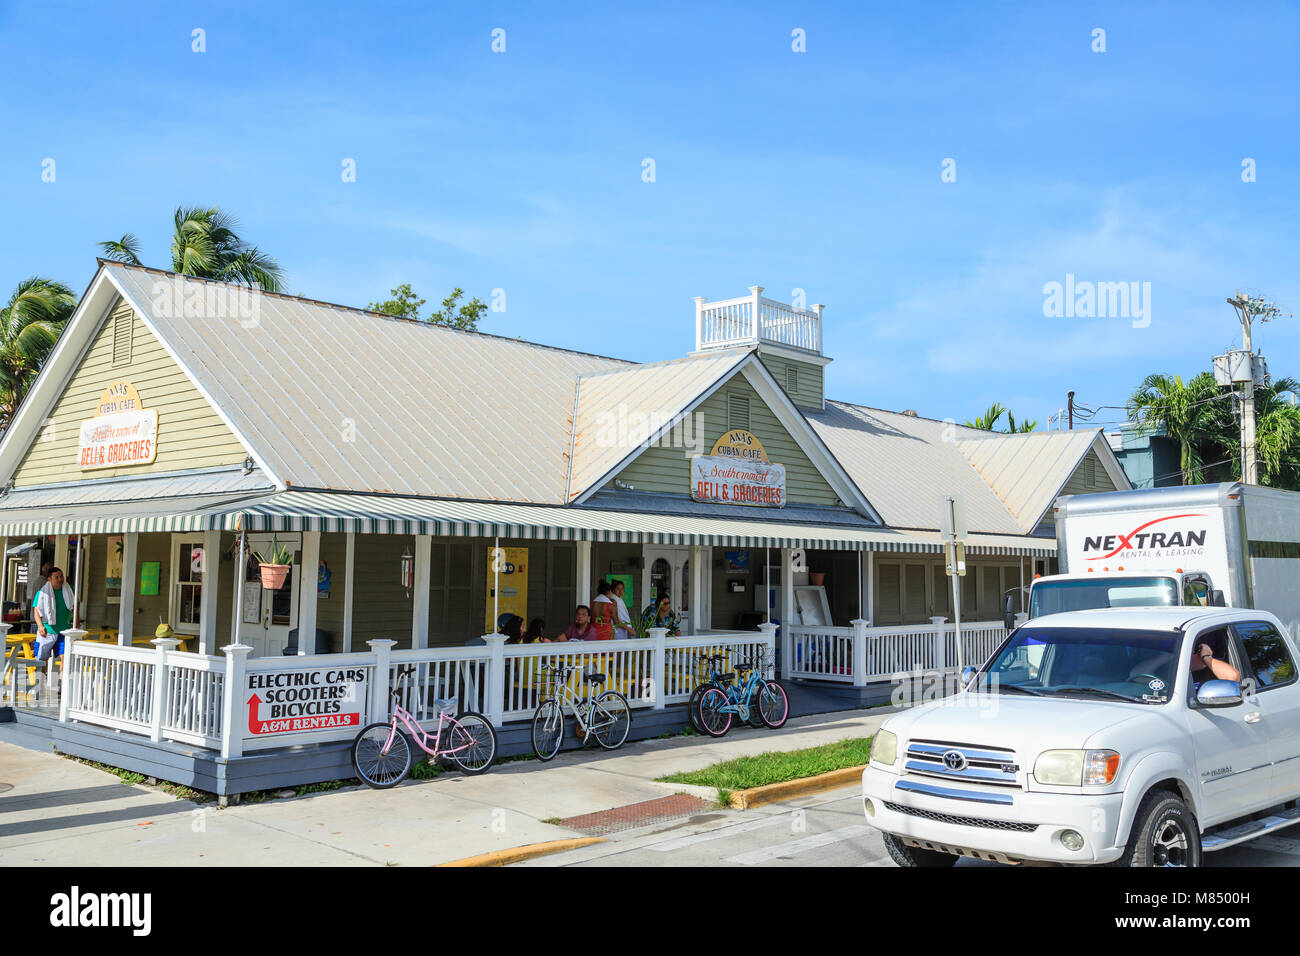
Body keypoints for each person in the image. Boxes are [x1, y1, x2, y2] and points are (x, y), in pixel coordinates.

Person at [33, 566, 74, 662]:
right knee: (42, 659)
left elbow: (74, 608)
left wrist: (76, 623)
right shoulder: (42, 593)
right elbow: (36, 612)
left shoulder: (69, 590)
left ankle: (62, 677)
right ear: (49, 579)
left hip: (64, 630)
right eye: (57, 577)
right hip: (47, 631)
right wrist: (40, 626)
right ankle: (41, 677)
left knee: (65, 658)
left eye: (61, 576)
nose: (60, 579)